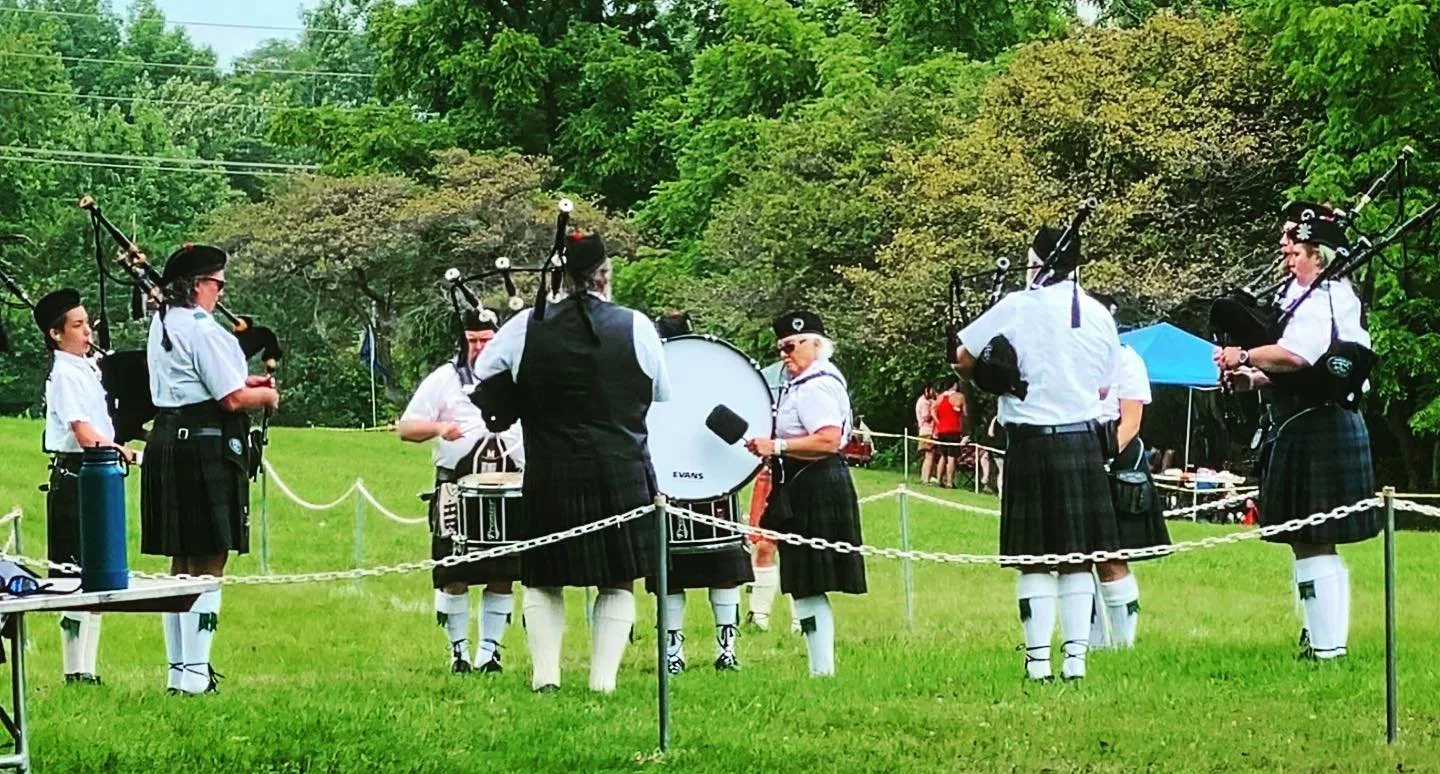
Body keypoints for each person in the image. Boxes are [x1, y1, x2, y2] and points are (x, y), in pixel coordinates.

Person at [473, 231, 671, 693]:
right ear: (603, 276)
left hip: (550, 466)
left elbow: (485, 379)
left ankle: (547, 679)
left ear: (558, 278)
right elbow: (662, 392)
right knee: (617, 578)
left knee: (544, 576)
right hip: (621, 467)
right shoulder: (636, 325)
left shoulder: (524, 327)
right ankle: (602, 683)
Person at [953, 224, 1120, 682]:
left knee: (1034, 559)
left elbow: (962, 357)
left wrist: (993, 373)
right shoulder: (1100, 314)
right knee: (1078, 557)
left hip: (1029, 441)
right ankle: (1076, 663)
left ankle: (1037, 663)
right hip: (1083, 440)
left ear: (1036, 263)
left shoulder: (1015, 306)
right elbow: (1106, 379)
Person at [1215, 210, 1378, 661]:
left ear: (1318, 258)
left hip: (1319, 426)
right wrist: (1251, 378)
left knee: (1314, 535)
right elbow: (1299, 368)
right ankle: (1321, 637)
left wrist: (1242, 354)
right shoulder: (1312, 296)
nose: (1288, 261)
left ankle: (1328, 646)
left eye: (1296, 253)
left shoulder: (1324, 295)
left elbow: (1297, 356)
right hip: (1311, 419)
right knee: (1305, 536)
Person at [142, 244, 279, 695]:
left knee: (181, 562)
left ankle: (179, 672)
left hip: (168, 436)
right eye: (218, 284)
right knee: (208, 559)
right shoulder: (203, 329)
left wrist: (245, 383)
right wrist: (267, 396)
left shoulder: (164, 323)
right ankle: (197, 675)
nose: (221, 293)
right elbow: (232, 399)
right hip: (204, 441)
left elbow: (209, 382)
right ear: (199, 284)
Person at [398, 308, 525, 675]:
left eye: (486, 340)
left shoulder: (518, 376)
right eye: (472, 341)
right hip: (456, 485)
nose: (479, 348)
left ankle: (489, 653)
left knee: (503, 570)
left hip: (510, 484)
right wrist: (439, 428)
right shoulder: (445, 378)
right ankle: (459, 654)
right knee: (454, 570)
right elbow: (406, 428)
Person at [745, 310, 867, 677]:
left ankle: (822, 669)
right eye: (781, 347)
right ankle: (819, 667)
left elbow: (828, 439)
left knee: (810, 581)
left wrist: (777, 446)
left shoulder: (816, 385)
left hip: (816, 481)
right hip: (803, 481)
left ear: (816, 344)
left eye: (791, 345)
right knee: (803, 582)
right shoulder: (803, 383)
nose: (785, 354)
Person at [35, 289, 134, 685]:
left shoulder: (86, 368)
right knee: (74, 572)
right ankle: (75, 668)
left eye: (87, 323)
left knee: (98, 570)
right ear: (56, 334)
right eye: (77, 326)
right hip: (78, 474)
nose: (87, 332)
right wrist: (118, 449)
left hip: (96, 472)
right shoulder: (64, 375)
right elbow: (83, 431)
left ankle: (87, 668)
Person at [648, 310, 753, 673]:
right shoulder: (651, 376)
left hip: (716, 481)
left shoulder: (716, 374)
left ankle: (726, 650)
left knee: (721, 566)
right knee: (671, 575)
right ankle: (675, 654)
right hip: (667, 487)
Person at [1086, 292, 1169, 650]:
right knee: (1074, 557)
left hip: (1114, 454)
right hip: (1077, 447)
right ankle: (1089, 643)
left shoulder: (1126, 360)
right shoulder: (1074, 358)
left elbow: (1131, 421)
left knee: (1111, 555)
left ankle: (1123, 645)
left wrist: (1102, 457)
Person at [932, 378, 965, 488]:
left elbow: (932, 410)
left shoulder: (940, 397)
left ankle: (939, 479)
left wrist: (938, 422)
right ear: (955, 385)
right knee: (952, 457)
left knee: (943, 455)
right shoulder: (959, 397)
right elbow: (965, 412)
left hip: (942, 430)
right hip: (953, 430)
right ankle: (950, 482)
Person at [915, 383, 938, 484]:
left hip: (924, 431)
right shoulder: (924, 402)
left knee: (927, 456)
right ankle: (926, 479)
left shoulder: (924, 401)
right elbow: (926, 417)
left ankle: (924, 477)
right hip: (927, 431)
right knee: (930, 456)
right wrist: (934, 409)